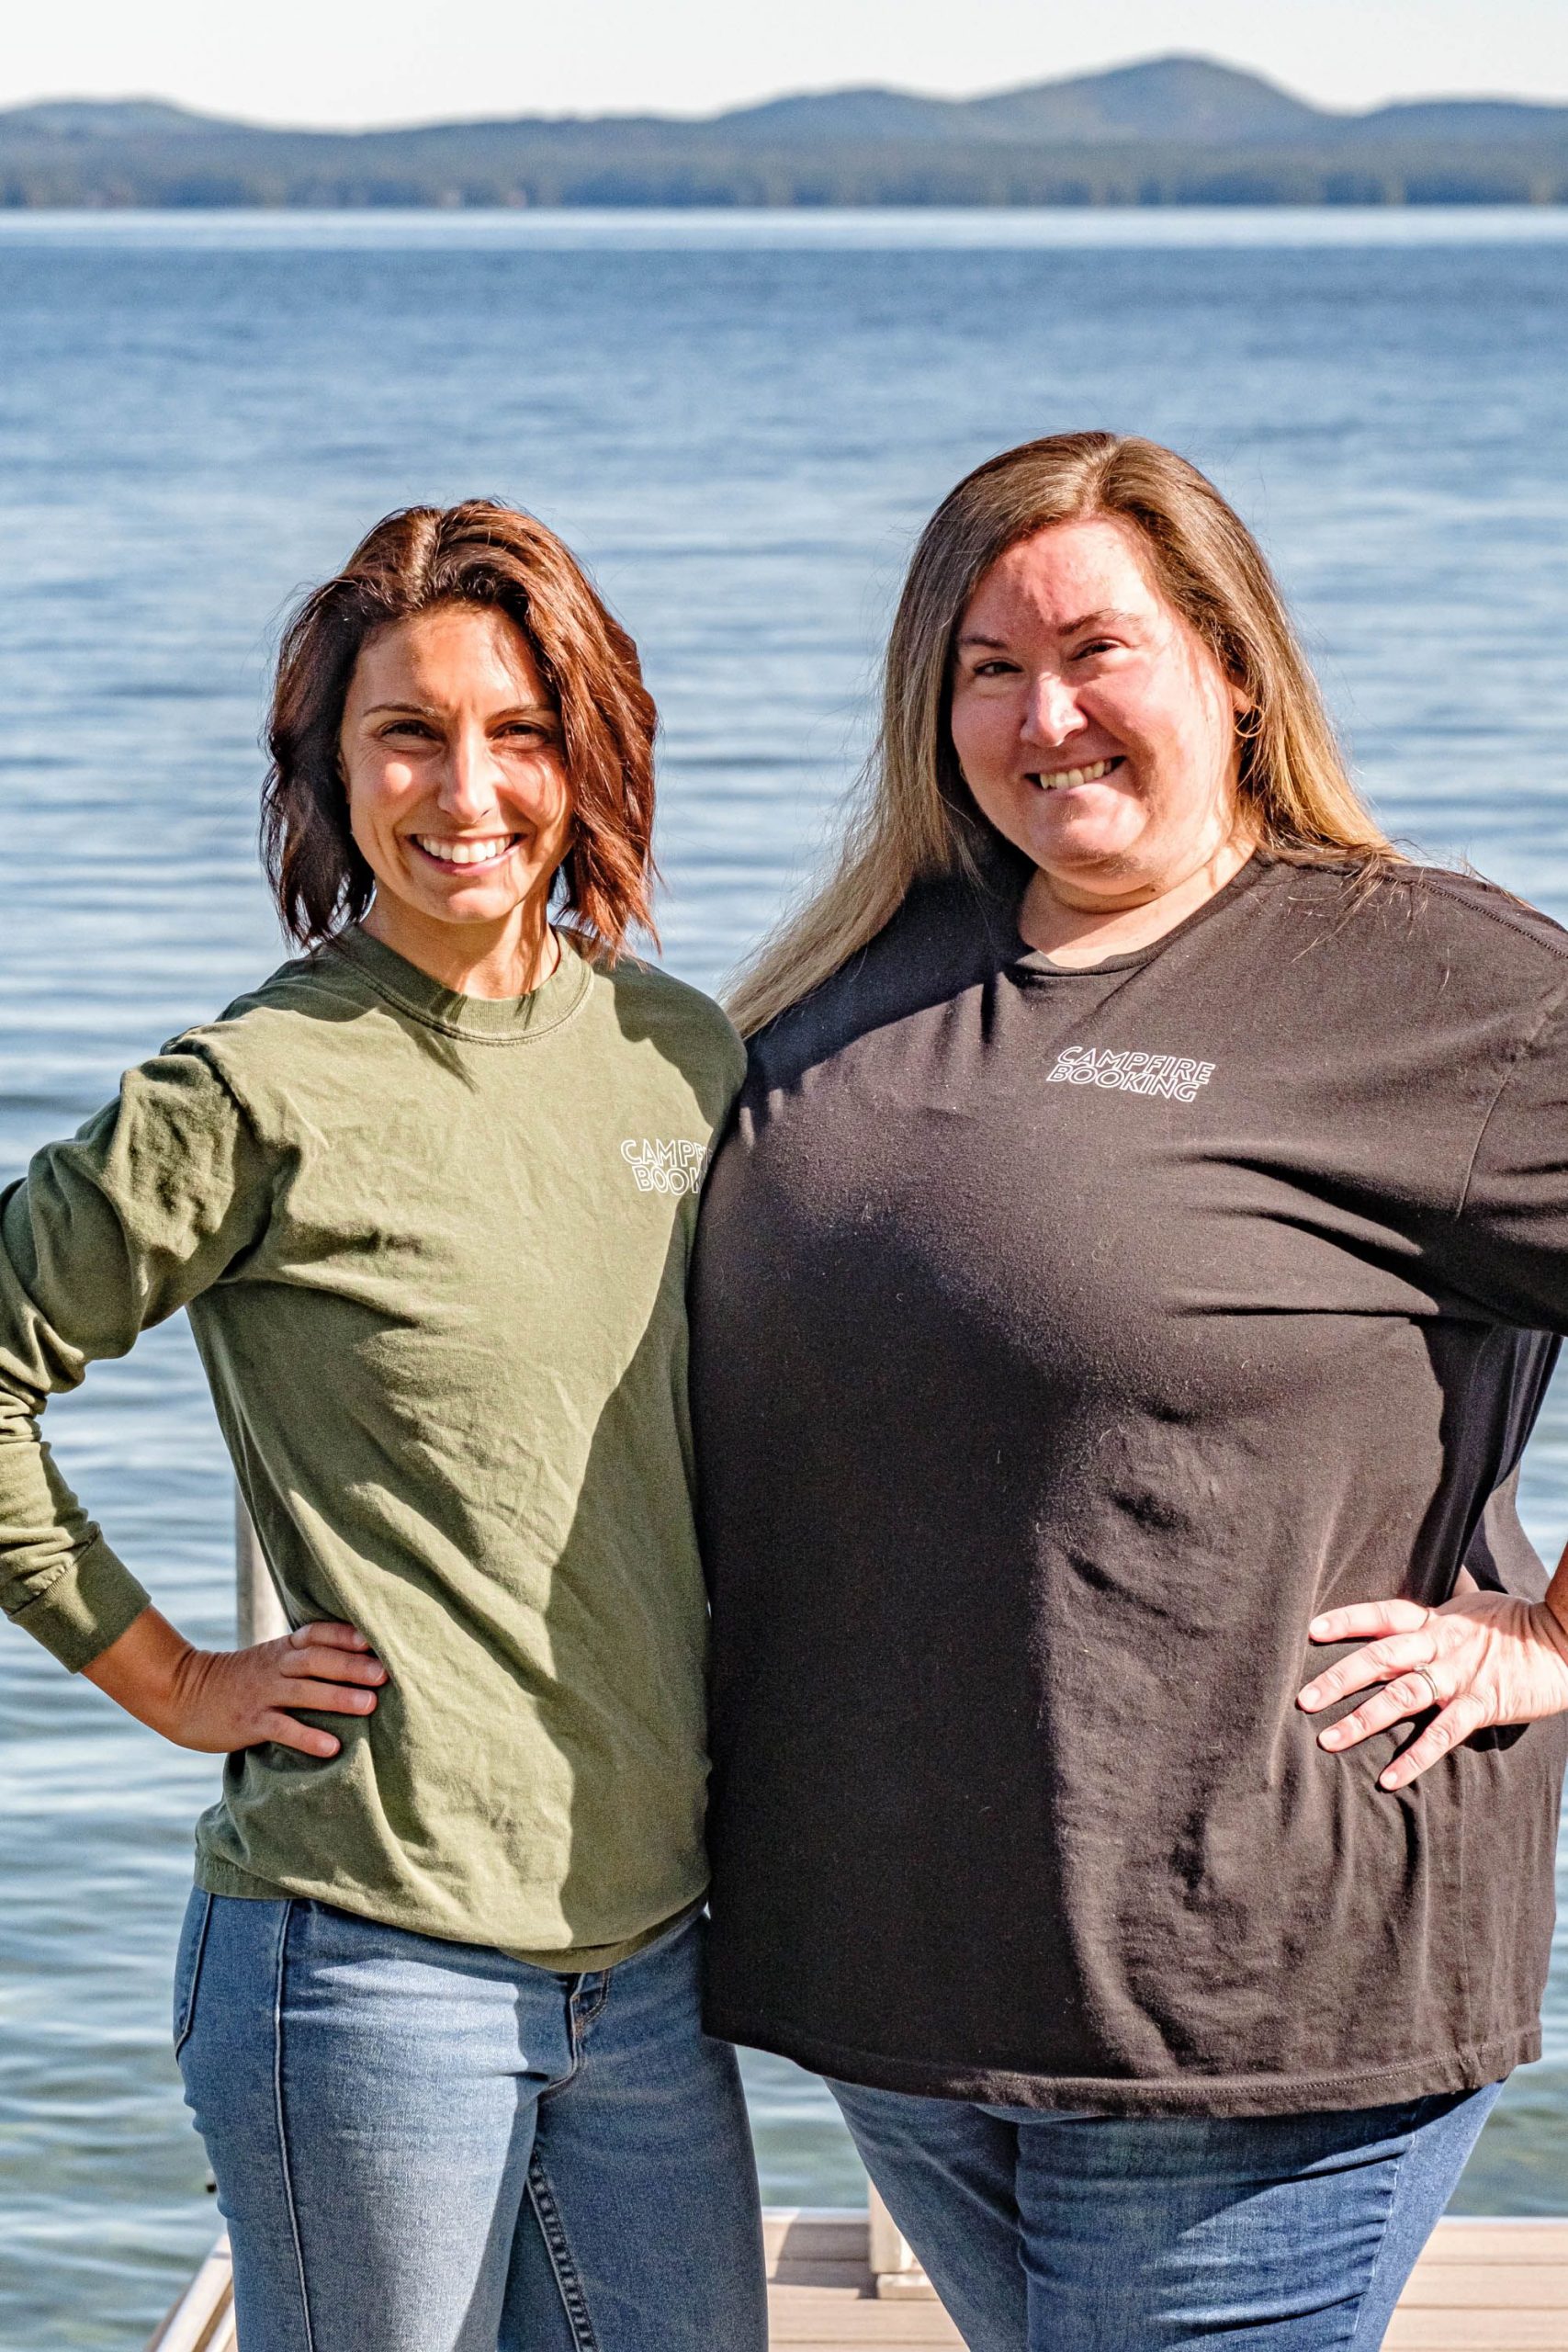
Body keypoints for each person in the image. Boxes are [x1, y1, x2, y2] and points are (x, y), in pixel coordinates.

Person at [691, 432, 1568, 2350]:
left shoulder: (1426, 985)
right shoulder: (857, 980)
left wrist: (1548, 1635)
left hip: (1242, 1982)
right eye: (985, 668)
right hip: (897, 1973)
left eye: (1097, 649)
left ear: (1230, 667)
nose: (1045, 713)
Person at [0, 501, 765, 2352]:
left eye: (516, 728)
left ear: (590, 750)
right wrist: (174, 1678)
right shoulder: (253, 1088)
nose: (465, 787)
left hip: (656, 1958)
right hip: (364, 1958)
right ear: (327, 772)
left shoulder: (687, 1055)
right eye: (405, 733)